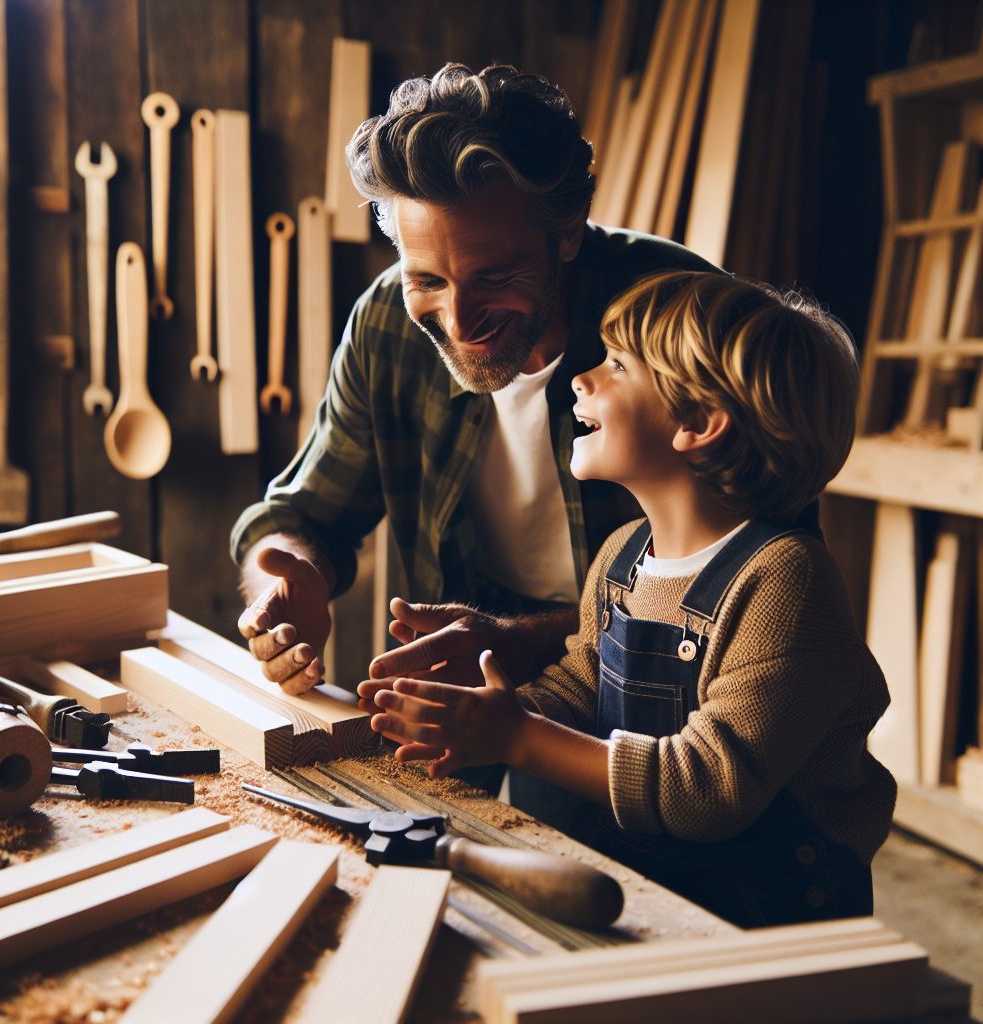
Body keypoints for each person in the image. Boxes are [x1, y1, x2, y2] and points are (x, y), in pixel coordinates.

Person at [360, 270, 897, 928]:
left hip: (775, 909)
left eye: (617, 365)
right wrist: (480, 719)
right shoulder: (622, 557)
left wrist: (521, 737)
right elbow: (582, 685)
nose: (583, 377)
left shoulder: (785, 580)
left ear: (699, 422)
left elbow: (708, 789)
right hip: (663, 880)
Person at [231, 63, 720, 702]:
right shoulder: (385, 324)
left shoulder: (687, 322)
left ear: (567, 232)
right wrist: (284, 575)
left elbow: (748, 589)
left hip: (658, 702)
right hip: (463, 679)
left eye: (494, 277)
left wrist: (524, 643)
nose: (459, 321)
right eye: (427, 281)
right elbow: (305, 517)